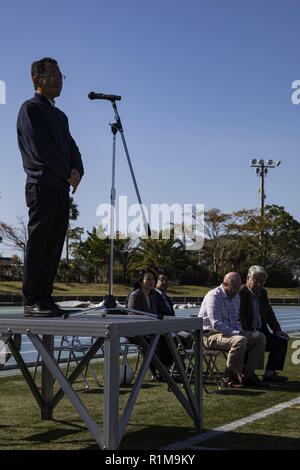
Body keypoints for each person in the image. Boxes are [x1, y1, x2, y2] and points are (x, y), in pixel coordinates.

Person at [17, 57, 84, 317]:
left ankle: (45, 297)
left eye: (60, 76)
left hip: (61, 189)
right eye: (53, 75)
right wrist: (67, 170)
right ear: (37, 79)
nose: (58, 80)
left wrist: (78, 170)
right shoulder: (30, 109)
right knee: (40, 242)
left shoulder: (60, 115)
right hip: (41, 185)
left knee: (55, 243)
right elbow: (40, 148)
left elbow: (72, 147)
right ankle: (32, 299)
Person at [199, 272, 267, 387]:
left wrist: (243, 332)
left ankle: (248, 374)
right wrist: (239, 333)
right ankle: (229, 377)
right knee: (240, 340)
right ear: (225, 284)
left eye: (237, 288)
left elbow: (235, 322)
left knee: (260, 337)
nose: (236, 291)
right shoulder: (214, 296)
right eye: (233, 288)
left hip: (227, 334)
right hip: (209, 335)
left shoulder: (235, 297)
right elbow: (216, 324)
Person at [239, 266, 289, 382]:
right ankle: (246, 371)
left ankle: (270, 373)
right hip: (246, 331)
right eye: (256, 281)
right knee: (255, 339)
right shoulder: (241, 292)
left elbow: (269, 314)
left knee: (281, 339)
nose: (259, 284)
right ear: (248, 278)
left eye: (262, 282)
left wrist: (277, 330)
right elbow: (239, 316)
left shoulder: (263, 293)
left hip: (261, 331)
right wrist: (248, 332)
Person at [126, 268, 173, 380]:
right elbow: (132, 317)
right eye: (148, 279)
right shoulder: (135, 296)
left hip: (151, 331)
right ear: (141, 281)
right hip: (136, 332)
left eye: (153, 279)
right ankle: (158, 372)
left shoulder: (153, 296)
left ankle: (165, 370)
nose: (152, 281)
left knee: (169, 340)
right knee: (154, 343)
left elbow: (155, 316)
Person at [155, 272, 194, 349]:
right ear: (156, 282)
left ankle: (179, 359)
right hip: (164, 330)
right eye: (162, 280)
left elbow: (172, 315)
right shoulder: (154, 296)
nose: (165, 282)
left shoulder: (167, 298)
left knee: (194, 334)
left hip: (173, 327)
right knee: (188, 337)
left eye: (166, 280)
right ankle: (178, 360)